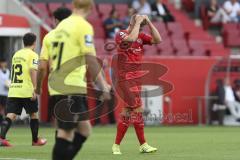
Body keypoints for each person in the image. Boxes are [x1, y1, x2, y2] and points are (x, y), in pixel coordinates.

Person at [36, 0, 110, 159]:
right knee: (65, 133)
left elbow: (43, 66)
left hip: (60, 86)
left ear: (73, 6)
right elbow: (90, 59)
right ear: (91, 8)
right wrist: (103, 85)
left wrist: (38, 87)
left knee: (84, 130)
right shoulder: (83, 26)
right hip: (70, 86)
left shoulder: (58, 29)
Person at [112, 14, 162, 155]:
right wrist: (138, 21)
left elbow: (158, 40)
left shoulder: (141, 36)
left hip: (136, 79)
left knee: (128, 112)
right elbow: (131, 39)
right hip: (125, 78)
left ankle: (116, 145)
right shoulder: (121, 33)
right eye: (139, 22)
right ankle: (143, 144)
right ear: (133, 21)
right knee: (138, 109)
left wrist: (150, 22)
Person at [0, 33, 47, 147]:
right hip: (26, 89)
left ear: (23, 42)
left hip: (14, 89)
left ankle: (1, 138)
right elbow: (32, 71)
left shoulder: (17, 54)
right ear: (34, 43)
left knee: (11, 114)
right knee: (33, 115)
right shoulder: (33, 55)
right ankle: (35, 141)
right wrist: (35, 89)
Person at [0, 59, 10, 124]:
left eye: (4, 63)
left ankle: (3, 120)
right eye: (2, 63)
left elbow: (9, 81)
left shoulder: (8, 72)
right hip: (0, 92)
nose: (3, 64)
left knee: (4, 107)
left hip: (6, 93)